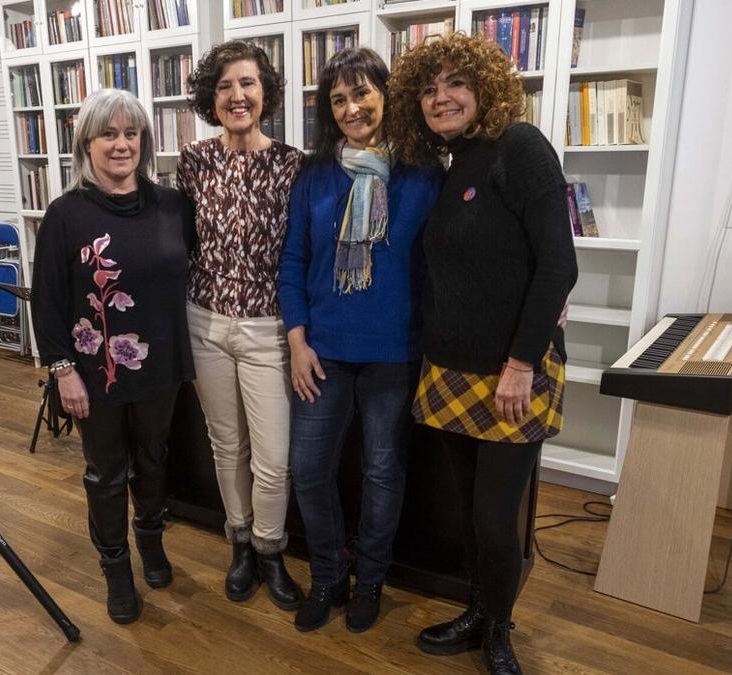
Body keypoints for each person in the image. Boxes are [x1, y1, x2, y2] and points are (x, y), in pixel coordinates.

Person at [386, 33, 578, 675]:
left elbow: (558, 266)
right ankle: (478, 609)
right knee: (469, 513)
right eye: (429, 88)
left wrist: (521, 364)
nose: (441, 98)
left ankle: (499, 629)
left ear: (485, 89)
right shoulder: (450, 165)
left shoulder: (520, 149)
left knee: (497, 518)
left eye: (455, 84)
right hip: (448, 373)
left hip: (510, 373)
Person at [278, 47, 441, 634]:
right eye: (339, 99)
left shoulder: (423, 175)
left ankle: (370, 578)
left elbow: (441, 264)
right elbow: (293, 261)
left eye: (362, 93)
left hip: (394, 353)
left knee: (382, 473)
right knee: (310, 469)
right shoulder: (315, 176)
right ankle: (328, 574)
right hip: (321, 352)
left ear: (386, 96)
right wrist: (297, 340)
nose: (352, 108)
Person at [30, 88, 195, 625]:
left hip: (162, 365)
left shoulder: (172, 205)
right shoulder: (65, 214)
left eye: (131, 133)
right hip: (94, 372)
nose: (121, 144)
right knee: (106, 473)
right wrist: (62, 371)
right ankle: (115, 566)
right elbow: (49, 298)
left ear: (144, 142)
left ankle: (150, 541)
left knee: (153, 460)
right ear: (87, 143)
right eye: (109, 134)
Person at [177, 40, 306, 611]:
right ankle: (240, 544)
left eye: (248, 84)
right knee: (226, 445)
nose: (237, 95)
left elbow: (302, 254)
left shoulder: (293, 164)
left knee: (273, 458)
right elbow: (178, 244)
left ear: (265, 93)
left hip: (267, 330)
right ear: (212, 97)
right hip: (204, 321)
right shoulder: (194, 161)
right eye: (225, 85)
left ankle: (270, 548)